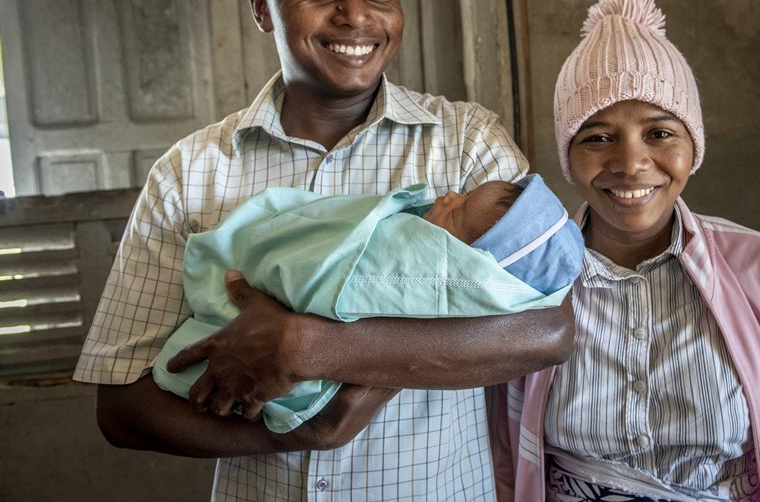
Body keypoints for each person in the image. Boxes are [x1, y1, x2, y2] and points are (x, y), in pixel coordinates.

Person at [73, 0, 574, 502]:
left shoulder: (466, 145)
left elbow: (548, 329)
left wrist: (316, 348)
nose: (355, 16)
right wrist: (303, 434)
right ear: (263, 7)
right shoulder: (190, 173)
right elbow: (121, 408)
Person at [492, 0, 760, 502]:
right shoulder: (526, 277)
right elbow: (503, 452)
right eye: (597, 136)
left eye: (660, 132)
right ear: (568, 157)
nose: (631, 163)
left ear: (694, 145)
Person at [153, 175, 583, 434]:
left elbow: (552, 331)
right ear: (265, 15)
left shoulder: (473, 137)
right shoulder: (181, 174)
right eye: (462, 194)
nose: (449, 195)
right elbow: (118, 417)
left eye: (459, 211)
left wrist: (302, 345)